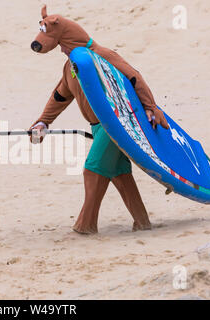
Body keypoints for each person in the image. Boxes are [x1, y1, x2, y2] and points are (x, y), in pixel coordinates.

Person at [29, 5, 169, 234]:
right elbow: (60, 96)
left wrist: (150, 106)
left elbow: (134, 77)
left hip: (116, 125)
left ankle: (86, 226)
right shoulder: (71, 67)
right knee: (119, 174)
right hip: (98, 128)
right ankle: (142, 222)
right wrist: (43, 122)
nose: (60, 49)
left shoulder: (102, 56)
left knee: (92, 170)